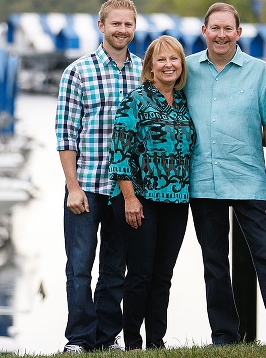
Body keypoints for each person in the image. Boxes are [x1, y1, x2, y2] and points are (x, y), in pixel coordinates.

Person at [184, 2, 266, 346]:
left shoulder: (260, 72)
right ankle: (225, 337)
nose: (221, 35)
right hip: (202, 182)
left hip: (251, 181)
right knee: (214, 263)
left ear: (239, 33)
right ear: (204, 31)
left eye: (228, 29)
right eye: (215, 28)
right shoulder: (186, 70)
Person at [55, 0, 143, 353]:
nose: (122, 30)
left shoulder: (144, 71)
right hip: (87, 188)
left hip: (126, 191)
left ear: (134, 28)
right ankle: (78, 340)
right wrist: (72, 186)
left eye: (128, 24)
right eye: (116, 24)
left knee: (114, 269)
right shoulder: (78, 71)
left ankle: (106, 338)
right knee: (78, 267)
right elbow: (66, 134)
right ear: (101, 25)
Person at [108, 35, 196, 351]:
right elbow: (119, 153)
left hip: (177, 201)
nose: (168, 65)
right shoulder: (135, 101)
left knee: (163, 276)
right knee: (140, 274)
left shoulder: (186, 102)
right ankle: (132, 341)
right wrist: (129, 198)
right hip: (140, 200)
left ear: (181, 65)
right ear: (150, 67)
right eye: (161, 60)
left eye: (174, 59)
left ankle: (156, 342)